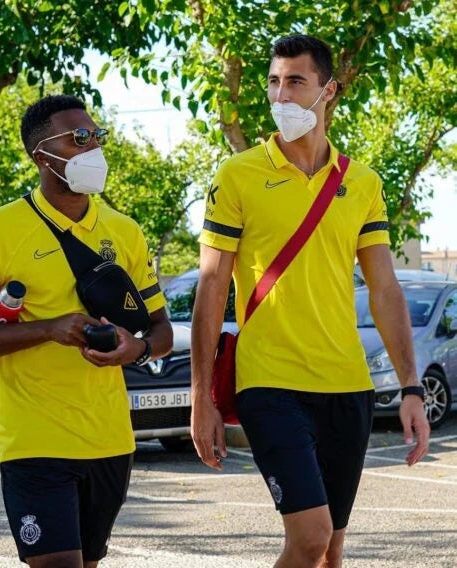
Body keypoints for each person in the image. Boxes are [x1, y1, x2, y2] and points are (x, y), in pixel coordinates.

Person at [190, 34, 430, 568]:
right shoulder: (238, 175)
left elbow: (386, 289)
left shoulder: (363, 182)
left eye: (296, 82)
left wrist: (411, 386)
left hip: (347, 385)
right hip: (270, 382)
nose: (281, 96)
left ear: (330, 92)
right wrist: (200, 395)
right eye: (274, 83)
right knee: (311, 535)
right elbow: (211, 285)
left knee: (332, 551)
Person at [0, 94, 173, 568]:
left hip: (110, 438)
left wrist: (137, 348)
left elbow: (160, 329)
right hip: (34, 439)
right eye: (79, 138)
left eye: (96, 136)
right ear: (40, 153)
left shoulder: (124, 230)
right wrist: (50, 329)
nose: (94, 148)